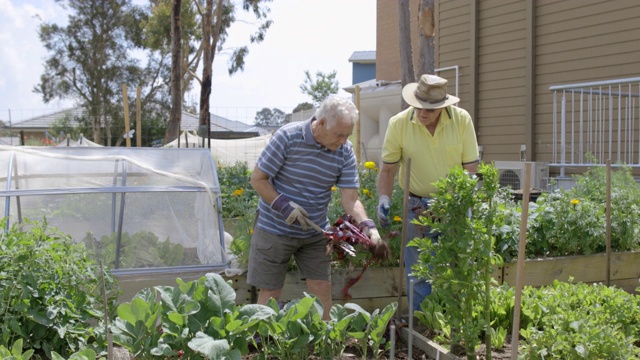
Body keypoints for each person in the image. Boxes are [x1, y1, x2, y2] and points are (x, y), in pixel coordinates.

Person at [247, 95, 389, 320]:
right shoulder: (287, 137)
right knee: (270, 292)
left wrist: (368, 226)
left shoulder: (344, 151)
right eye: (339, 134)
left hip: (315, 232)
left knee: (322, 290)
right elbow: (258, 179)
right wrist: (284, 205)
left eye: (347, 135)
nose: (343, 141)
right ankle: (264, 343)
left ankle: (325, 343)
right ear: (321, 123)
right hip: (274, 229)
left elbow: (350, 198)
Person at [376, 74, 479, 312]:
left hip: (454, 206)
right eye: (418, 107)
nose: (422, 113)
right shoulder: (398, 124)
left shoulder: (461, 120)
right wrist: (384, 198)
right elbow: (388, 170)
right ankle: (421, 324)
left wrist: (447, 203)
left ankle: (455, 321)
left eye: (429, 110)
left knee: (458, 265)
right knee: (418, 270)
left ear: (443, 107)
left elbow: (471, 170)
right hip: (416, 205)